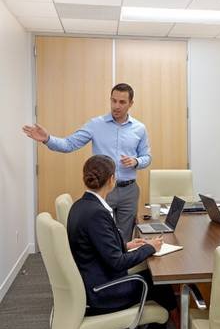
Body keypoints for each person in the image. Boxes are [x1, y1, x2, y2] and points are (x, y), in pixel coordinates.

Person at [67, 155, 178, 329]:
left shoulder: (81, 206)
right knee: (160, 285)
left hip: (90, 280)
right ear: (112, 179)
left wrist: (127, 245)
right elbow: (116, 262)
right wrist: (151, 248)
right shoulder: (97, 213)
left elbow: (95, 246)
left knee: (154, 279)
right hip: (103, 291)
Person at [23, 83, 150, 241]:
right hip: (103, 189)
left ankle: (122, 257)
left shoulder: (139, 128)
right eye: (113, 100)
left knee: (125, 237)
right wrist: (47, 139)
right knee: (102, 236)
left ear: (131, 104)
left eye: (122, 102)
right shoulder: (96, 125)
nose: (116, 106)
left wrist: (136, 161)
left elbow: (147, 157)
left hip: (129, 191)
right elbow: (69, 144)